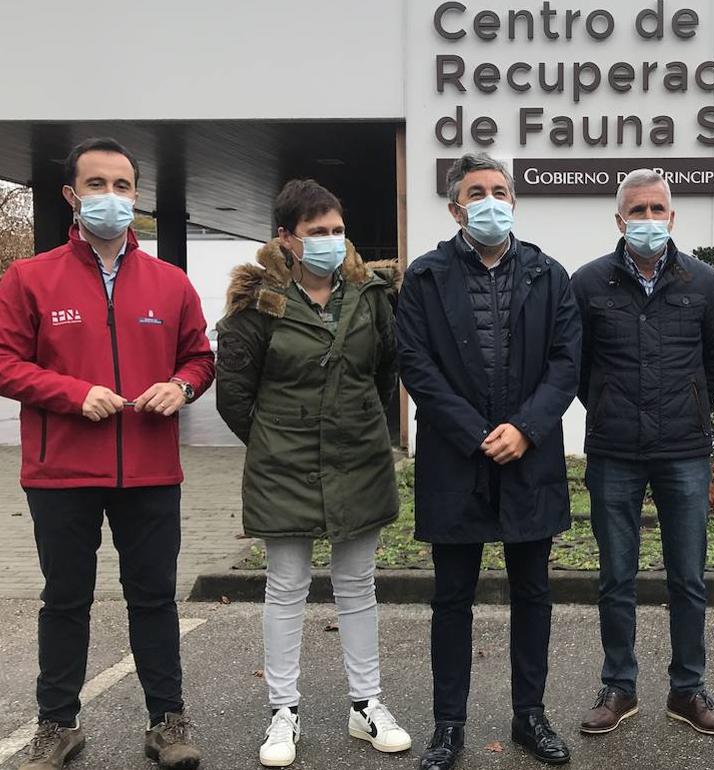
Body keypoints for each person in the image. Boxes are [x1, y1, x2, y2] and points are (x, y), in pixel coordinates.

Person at [0, 138, 214, 770]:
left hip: (150, 470)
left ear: (137, 196)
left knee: (153, 598)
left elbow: (200, 359)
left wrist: (180, 387)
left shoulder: (170, 283)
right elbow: (6, 363)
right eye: (97, 185)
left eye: (122, 186)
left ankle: (167, 723)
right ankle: (57, 725)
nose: (111, 198)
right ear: (72, 196)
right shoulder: (28, 277)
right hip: (61, 472)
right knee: (65, 599)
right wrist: (72, 394)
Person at [214, 179, 411, 767]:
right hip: (284, 464)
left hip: (359, 457)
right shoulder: (259, 303)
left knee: (357, 586)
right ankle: (283, 711)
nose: (330, 241)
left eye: (335, 230)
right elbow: (233, 397)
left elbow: (384, 371)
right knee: (286, 586)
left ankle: (366, 704)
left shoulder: (369, 293)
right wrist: (277, 440)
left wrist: (357, 428)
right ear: (286, 238)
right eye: (315, 232)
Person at [396, 152, 580, 770]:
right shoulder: (424, 278)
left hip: (530, 458)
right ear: (455, 208)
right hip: (457, 459)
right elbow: (415, 365)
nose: (492, 201)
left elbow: (566, 363)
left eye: (500, 190)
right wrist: (477, 432)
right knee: (451, 599)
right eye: (478, 192)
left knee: (533, 593)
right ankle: (448, 726)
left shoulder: (549, 275)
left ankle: (530, 716)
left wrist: (526, 429)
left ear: (514, 202)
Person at [570, 169, 714, 737]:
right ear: (619, 220)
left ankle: (688, 690)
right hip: (613, 450)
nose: (647, 220)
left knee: (688, 578)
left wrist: (688, 404)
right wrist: (607, 403)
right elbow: (576, 366)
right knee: (616, 576)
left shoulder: (704, 282)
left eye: (656, 210)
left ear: (672, 217)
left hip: (683, 450)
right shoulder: (588, 284)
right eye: (636, 211)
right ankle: (619, 686)